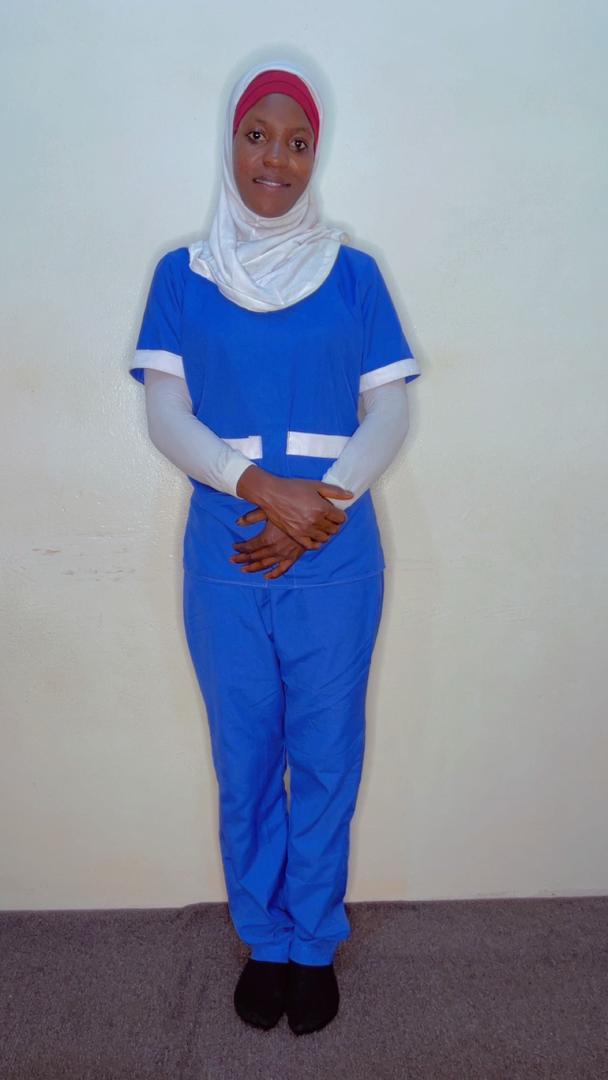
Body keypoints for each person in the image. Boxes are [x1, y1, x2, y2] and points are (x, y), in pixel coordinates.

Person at [129, 58, 421, 1036]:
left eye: (298, 143)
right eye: (258, 135)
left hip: (334, 555)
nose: (276, 159)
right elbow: (165, 412)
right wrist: (259, 490)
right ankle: (263, 938)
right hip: (227, 549)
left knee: (326, 755)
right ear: (230, 143)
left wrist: (319, 509)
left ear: (315, 156)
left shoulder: (355, 274)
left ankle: (313, 941)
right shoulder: (182, 275)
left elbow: (389, 409)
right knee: (246, 753)